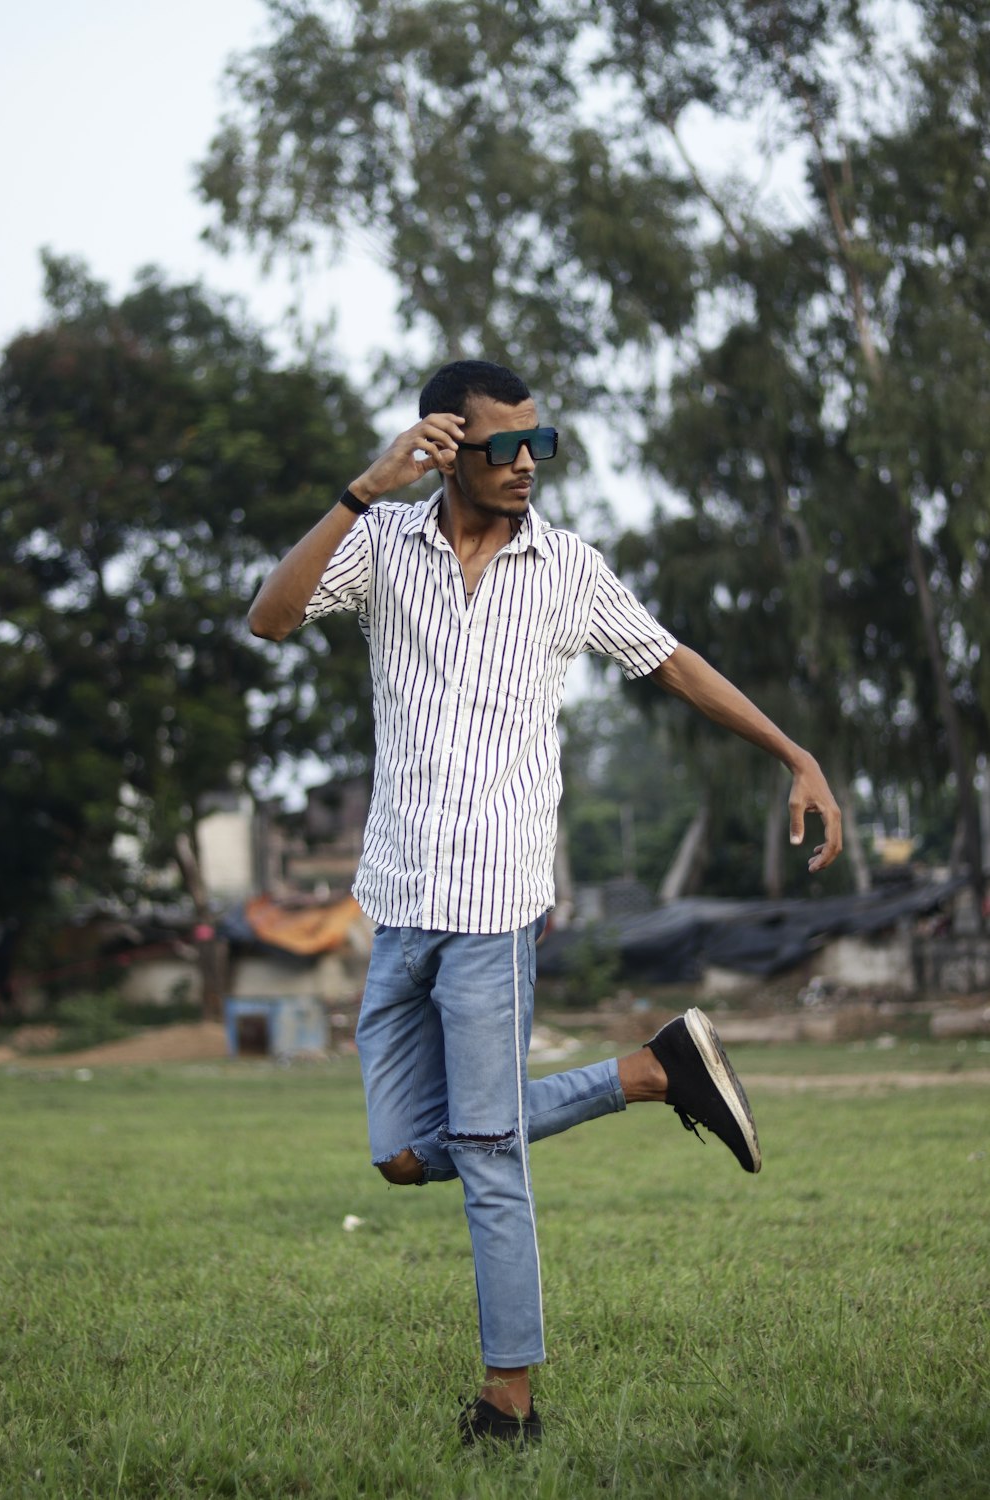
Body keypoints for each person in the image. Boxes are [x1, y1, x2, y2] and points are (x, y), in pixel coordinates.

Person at [248, 360, 842, 1446]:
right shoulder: (379, 549)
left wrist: (792, 752)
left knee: (487, 1159)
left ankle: (508, 1404)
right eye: (503, 446)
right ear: (442, 446)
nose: (527, 464)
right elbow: (270, 619)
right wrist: (359, 491)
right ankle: (653, 1070)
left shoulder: (567, 568)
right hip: (396, 899)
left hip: (496, 907)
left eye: (541, 444)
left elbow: (672, 662)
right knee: (403, 1153)